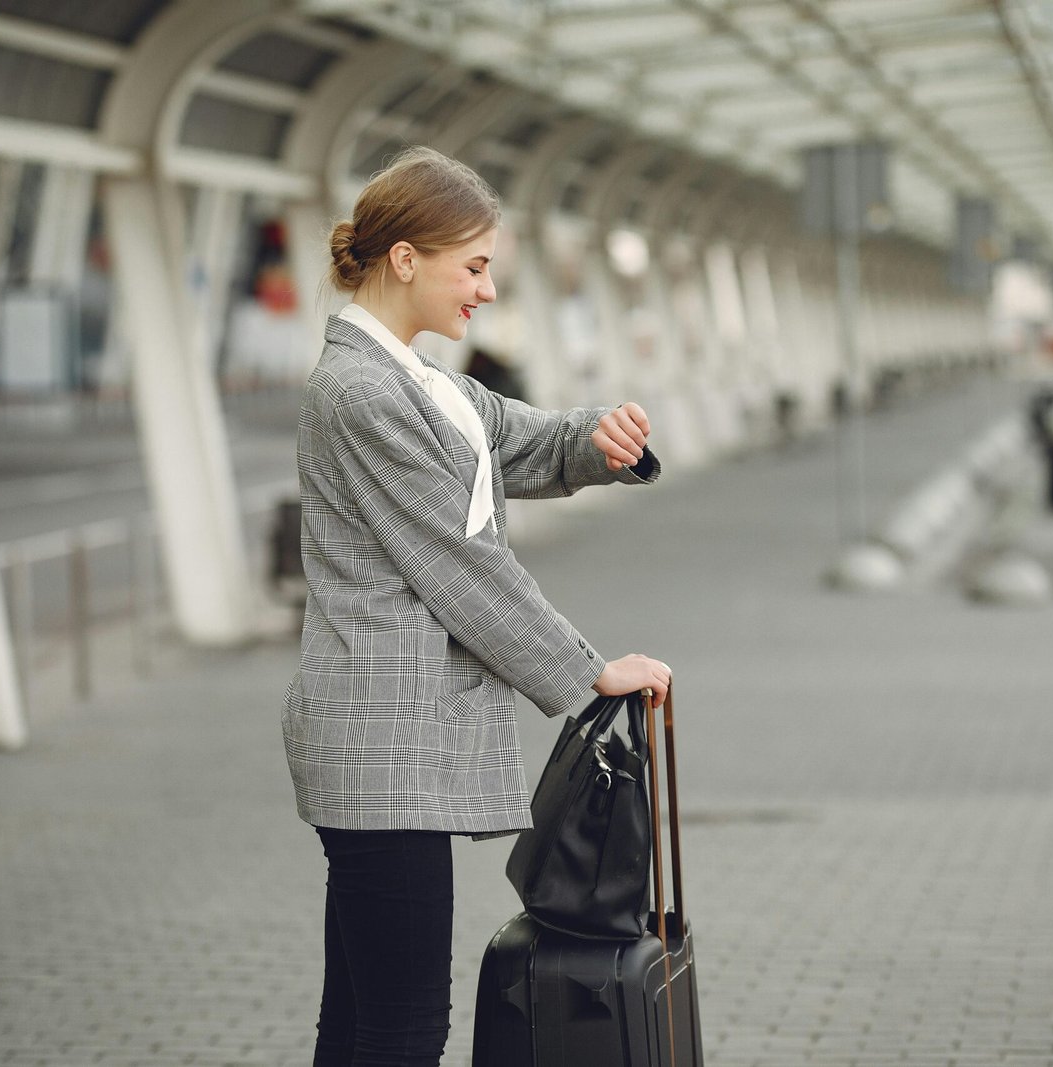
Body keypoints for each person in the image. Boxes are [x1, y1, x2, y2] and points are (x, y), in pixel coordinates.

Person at [281, 145, 672, 1066]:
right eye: (476, 266)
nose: (488, 291)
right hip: (381, 748)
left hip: (391, 746)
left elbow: (525, 441)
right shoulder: (360, 391)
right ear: (406, 257)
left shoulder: (424, 384)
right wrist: (587, 671)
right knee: (402, 1022)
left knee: (368, 1018)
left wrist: (600, 440)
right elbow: (458, 564)